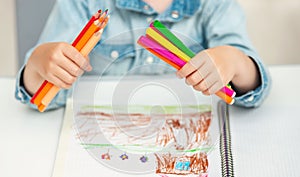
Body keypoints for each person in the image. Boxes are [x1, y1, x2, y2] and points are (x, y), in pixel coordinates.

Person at [15, 0, 271, 110]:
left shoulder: (215, 5)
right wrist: (39, 63)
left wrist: (234, 61)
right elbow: (40, 97)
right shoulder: (82, 3)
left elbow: (253, 91)